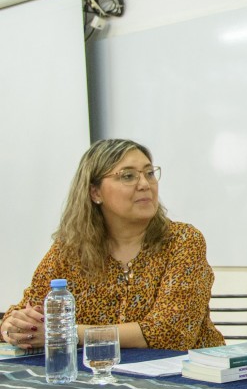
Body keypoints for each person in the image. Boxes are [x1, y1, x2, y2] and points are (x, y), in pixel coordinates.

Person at [1, 139, 224, 351]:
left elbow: (170, 332)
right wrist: (14, 326)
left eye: (149, 173)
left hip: (189, 381)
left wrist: (68, 333)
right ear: (95, 192)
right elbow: (28, 309)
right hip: (98, 378)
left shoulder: (182, 240)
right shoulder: (70, 249)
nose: (145, 184)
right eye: (128, 176)